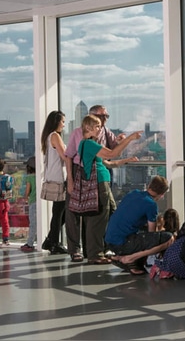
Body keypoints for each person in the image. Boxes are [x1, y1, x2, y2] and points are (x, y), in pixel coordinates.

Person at [68, 114, 142, 264]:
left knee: (107, 215)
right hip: (99, 184)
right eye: (96, 126)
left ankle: (101, 250)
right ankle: (95, 254)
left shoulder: (87, 144)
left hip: (101, 183)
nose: (99, 129)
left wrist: (126, 161)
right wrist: (129, 138)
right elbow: (113, 153)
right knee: (98, 219)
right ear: (88, 127)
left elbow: (108, 162)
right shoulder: (89, 144)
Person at [106, 175, 174, 275]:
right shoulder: (151, 205)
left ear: (149, 185)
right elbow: (152, 234)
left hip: (110, 241)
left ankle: (130, 262)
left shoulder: (134, 193)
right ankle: (129, 258)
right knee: (169, 238)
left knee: (142, 234)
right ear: (162, 194)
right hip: (122, 244)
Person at [40, 110, 68, 254]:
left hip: (53, 177)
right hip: (59, 179)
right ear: (56, 122)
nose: (64, 124)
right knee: (59, 213)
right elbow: (65, 155)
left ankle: (51, 240)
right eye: (62, 121)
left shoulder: (47, 136)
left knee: (58, 212)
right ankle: (54, 243)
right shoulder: (55, 136)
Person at [20, 157, 37, 252]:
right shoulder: (39, 177)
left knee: (33, 223)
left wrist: (25, 197)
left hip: (33, 202)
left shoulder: (29, 177)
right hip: (40, 201)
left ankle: (30, 244)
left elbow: (27, 191)